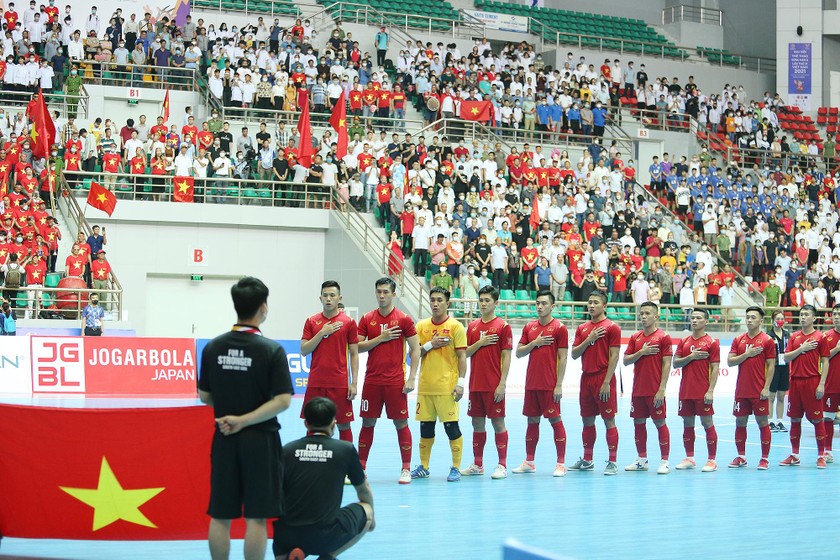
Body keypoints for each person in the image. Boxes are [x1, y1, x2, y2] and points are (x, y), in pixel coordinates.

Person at [197, 276, 294, 560]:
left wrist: (231, 417)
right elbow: (283, 400)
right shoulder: (271, 350)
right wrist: (245, 419)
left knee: (220, 515)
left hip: (224, 438)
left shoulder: (213, 347)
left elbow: (204, 395)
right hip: (260, 442)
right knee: (256, 517)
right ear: (263, 308)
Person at [272, 397, 375, 560]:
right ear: (334, 423)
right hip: (324, 536)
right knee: (367, 511)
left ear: (306, 423)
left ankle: (288, 555)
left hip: (287, 535)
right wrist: (372, 520)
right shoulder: (345, 449)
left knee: (287, 535)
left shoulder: (287, 450)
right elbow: (364, 490)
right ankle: (328, 557)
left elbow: (275, 494)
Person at [356, 277, 420, 484]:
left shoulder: (404, 319)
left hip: (395, 382)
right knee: (367, 422)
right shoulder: (367, 319)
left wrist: (411, 378)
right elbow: (357, 347)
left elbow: (415, 349)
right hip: (372, 381)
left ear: (394, 294)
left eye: (385, 292)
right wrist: (380, 339)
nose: (381, 296)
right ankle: (361, 468)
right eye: (378, 292)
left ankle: (406, 469)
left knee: (401, 423)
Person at [410, 287, 468, 482]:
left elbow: (462, 357)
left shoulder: (456, 327)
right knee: (426, 429)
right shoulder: (421, 326)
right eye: (432, 299)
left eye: (439, 300)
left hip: (447, 388)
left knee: (451, 428)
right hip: (425, 387)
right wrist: (430, 344)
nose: (435, 303)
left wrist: (460, 383)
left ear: (447, 303)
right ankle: (424, 466)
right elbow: (413, 354)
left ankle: (456, 467)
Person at [510, 290, 569, 477]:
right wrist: (534, 343)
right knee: (531, 420)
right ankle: (529, 461)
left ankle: (560, 463)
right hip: (532, 384)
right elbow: (519, 353)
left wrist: (559, 384)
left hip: (549, 385)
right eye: (537, 303)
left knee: (555, 420)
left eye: (544, 303)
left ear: (552, 306)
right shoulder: (529, 327)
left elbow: (563, 357)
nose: (540, 306)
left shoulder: (560, 328)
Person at [462, 285, 513, 479]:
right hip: (475, 385)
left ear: (496, 303)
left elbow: (506, 357)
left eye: (487, 301)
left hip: (494, 385)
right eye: (481, 300)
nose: (483, 304)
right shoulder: (473, 326)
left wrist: (502, 383)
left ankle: (502, 465)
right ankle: (478, 464)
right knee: (477, 423)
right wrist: (480, 343)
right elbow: (464, 353)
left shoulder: (503, 326)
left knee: (498, 423)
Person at [300, 280, 359, 444]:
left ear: (339, 297)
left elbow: (354, 353)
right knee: (313, 425)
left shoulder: (349, 322)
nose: (328, 299)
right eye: (325, 295)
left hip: (339, 383)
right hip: (316, 382)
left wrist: (354, 383)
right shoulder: (311, 321)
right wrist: (321, 333)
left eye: (332, 295)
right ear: (320, 298)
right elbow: (304, 350)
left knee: (344, 425)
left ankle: (346, 465)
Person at [569, 292, 622, 475]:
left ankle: (613, 461)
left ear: (604, 306)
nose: (591, 305)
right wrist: (589, 339)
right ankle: (588, 459)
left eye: (596, 302)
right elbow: (574, 354)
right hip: (586, 379)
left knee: (609, 420)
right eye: (589, 302)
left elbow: (614, 356)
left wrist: (607, 381)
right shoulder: (583, 328)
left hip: (604, 378)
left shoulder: (612, 328)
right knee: (587, 420)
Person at [623, 301, 673, 474]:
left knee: (660, 423)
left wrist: (661, 389)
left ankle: (664, 461)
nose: (643, 317)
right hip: (638, 390)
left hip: (655, 390)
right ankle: (642, 459)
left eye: (647, 314)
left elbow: (667, 365)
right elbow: (626, 360)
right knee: (638, 423)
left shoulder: (663, 337)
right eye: (641, 313)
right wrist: (641, 353)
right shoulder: (635, 337)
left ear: (656, 316)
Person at [727, 306, 776, 469]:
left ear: (761, 320)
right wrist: (746, 354)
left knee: (763, 422)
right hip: (741, 390)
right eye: (747, 317)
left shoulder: (767, 340)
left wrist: (766, 387)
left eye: (753, 317)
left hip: (759, 390)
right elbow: (730, 362)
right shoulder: (738, 340)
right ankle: (741, 456)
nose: (749, 320)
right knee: (740, 422)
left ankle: (765, 458)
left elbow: (771, 366)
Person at [779, 305, 827, 468]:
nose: (803, 317)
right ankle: (795, 454)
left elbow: (825, 361)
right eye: (801, 314)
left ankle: (821, 455)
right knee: (794, 419)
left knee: (817, 419)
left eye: (806, 315)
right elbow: (785, 358)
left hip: (813, 382)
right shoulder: (794, 337)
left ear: (814, 318)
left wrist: (821, 384)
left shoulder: (820, 337)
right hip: (796, 383)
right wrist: (802, 349)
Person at [672, 308, 720, 472]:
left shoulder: (711, 343)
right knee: (687, 423)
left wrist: (710, 390)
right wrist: (691, 357)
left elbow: (715, 368)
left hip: (702, 390)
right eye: (692, 318)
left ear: (706, 321)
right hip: (685, 390)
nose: (694, 320)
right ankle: (690, 458)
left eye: (698, 318)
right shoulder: (684, 341)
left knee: (707, 423)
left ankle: (712, 460)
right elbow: (675, 363)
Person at [819, 304, 840, 463]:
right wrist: (837, 349)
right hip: (831, 384)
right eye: (835, 314)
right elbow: (821, 360)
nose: (837, 317)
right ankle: (828, 451)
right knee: (828, 418)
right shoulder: (826, 336)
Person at [767, 310, 790, 433]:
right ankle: (770, 421)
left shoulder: (787, 334)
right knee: (771, 396)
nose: (780, 321)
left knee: (781, 396)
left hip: (785, 367)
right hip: (773, 367)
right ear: (772, 320)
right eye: (777, 318)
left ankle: (780, 421)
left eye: (782, 318)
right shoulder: (768, 335)